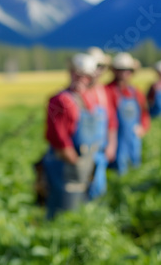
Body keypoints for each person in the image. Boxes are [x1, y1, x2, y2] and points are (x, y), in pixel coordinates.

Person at [42, 53, 101, 219]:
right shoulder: (60, 100)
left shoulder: (88, 98)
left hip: (86, 163)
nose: (81, 79)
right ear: (71, 72)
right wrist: (75, 161)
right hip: (65, 164)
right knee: (62, 210)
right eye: (77, 73)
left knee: (79, 208)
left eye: (86, 75)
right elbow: (58, 139)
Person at [105, 53, 150, 174]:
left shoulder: (135, 92)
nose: (124, 73)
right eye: (120, 70)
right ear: (114, 71)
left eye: (127, 70)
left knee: (134, 169)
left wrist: (143, 127)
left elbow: (144, 113)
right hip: (114, 139)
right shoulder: (106, 90)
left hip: (133, 140)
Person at [86, 47, 117, 199]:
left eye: (100, 67)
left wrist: (111, 144)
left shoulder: (104, 91)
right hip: (81, 151)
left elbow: (111, 121)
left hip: (100, 149)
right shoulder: (76, 93)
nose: (97, 71)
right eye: (94, 67)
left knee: (98, 188)